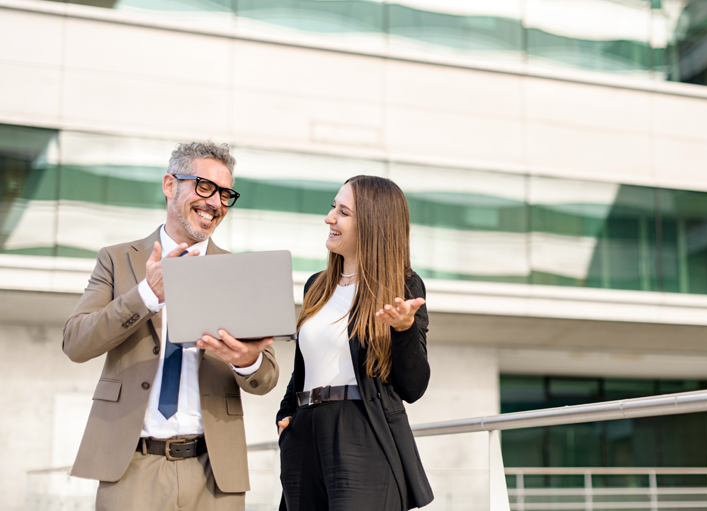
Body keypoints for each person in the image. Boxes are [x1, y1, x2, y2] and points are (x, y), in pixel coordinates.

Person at [62, 141, 279, 511]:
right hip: (131, 468)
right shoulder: (117, 260)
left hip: (214, 473)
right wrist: (147, 294)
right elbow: (76, 342)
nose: (215, 203)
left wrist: (246, 360)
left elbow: (268, 377)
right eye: (204, 187)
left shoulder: (238, 272)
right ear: (169, 185)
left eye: (225, 194)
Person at [275, 175, 433, 511]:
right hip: (303, 435)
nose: (329, 218)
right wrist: (286, 414)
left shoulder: (402, 285)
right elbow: (303, 366)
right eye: (333, 207)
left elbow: (414, 388)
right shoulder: (315, 286)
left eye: (343, 212)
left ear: (373, 224)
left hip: (360, 431)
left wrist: (404, 329)